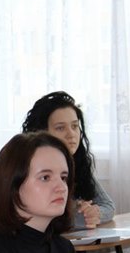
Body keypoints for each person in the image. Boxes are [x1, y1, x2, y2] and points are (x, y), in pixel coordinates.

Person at [22, 91, 115, 229]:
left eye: (75, 126)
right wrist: (83, 217)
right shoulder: (29, 165)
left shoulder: (77, 163)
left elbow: (108, 206)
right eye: (60, 128)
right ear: (41, 132)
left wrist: (95, 213)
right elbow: (47, 220)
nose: (71, 134)